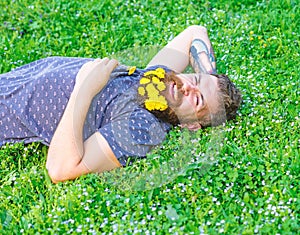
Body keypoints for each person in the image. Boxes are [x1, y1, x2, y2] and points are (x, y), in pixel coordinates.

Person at [0, 25, 241, 183]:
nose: (186, 87)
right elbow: (194, 33)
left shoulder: (143, 127)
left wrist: (84, 89)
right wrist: (209, 79)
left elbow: (61, 169)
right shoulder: (160, 80)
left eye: (196, 99)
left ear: (191, 125)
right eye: (194, 79)